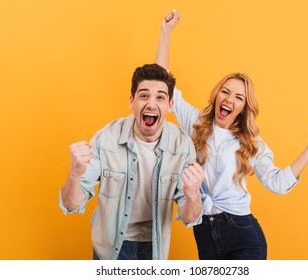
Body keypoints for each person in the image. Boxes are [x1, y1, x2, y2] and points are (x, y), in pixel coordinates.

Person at [156, 11, 308, 259]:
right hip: (204, 232)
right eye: (225, 92)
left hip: (242, 235)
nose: (229, 100)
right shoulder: (195, 123)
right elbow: (162, 84)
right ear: (216, 96)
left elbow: (277, 183)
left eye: (238, 97)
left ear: (243, 108)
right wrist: (166, 32)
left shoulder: (251, 144)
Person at [59, 63, 204, 260]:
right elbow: (72, 204)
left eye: (160, 97)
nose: (151, 104)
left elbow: (190, 218)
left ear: (170, 105)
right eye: (144, 95)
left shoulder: (182, 145)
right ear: (131, 101)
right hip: (109, 251)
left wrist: (192, 194)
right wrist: (75, 175)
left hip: (155, 249)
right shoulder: (107, 138)